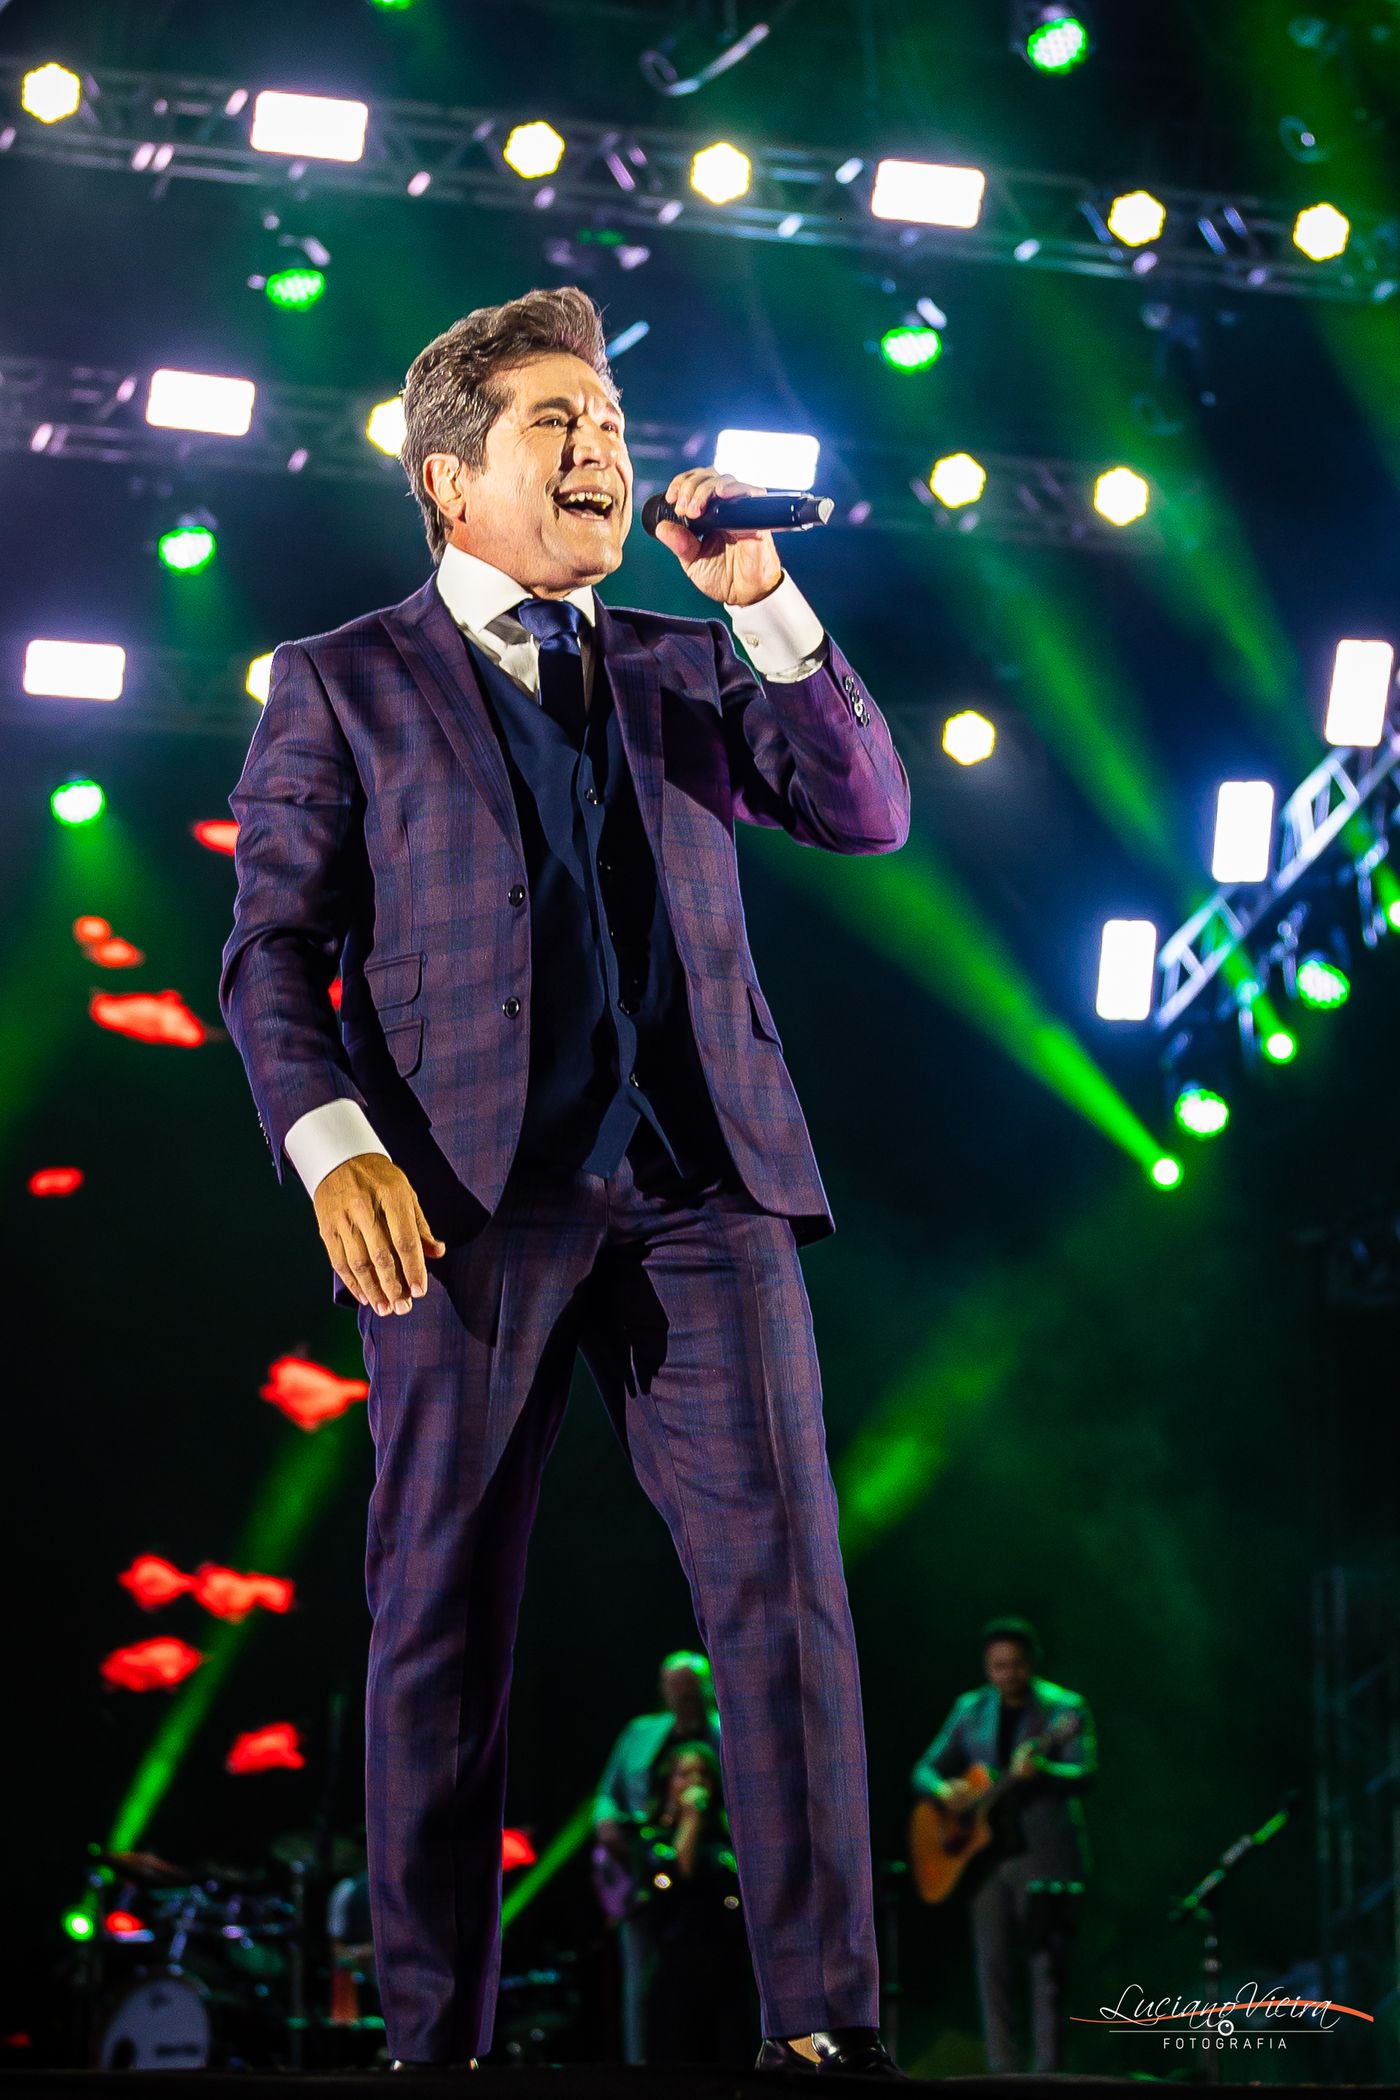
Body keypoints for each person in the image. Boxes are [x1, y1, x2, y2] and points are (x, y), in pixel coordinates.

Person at [220, 284, 909, 2077]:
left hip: (705, 1193)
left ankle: (824, 2027)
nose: (603, 445)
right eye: (559, 423)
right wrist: (334, 1145)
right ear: (450, 481)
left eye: (609, 421)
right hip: (463, 1203)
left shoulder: (686, 659)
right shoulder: (342, 682)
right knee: (440, 1619)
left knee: (788, 1598)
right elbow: (271, 953)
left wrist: (761, 600)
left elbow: (864, 810)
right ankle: (431, 2041)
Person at [911, 1618, 1096, 2074]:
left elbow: (1085, 1772)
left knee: (1046, 1969)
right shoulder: (971, 1708)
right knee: (991, 1967)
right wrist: (945, 1791)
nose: (1007, 1675)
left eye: (1016, 1665)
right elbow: (924, 1769)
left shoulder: (1064, 1709)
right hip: (985, 1860)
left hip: (1043, 1855)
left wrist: (1045, 1772)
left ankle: (1049, 2076)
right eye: (998, 1666)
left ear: (1032, 1662)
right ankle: (1003, 2075)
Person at [592, 1651, 725, 2061]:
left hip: (706, 1878)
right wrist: (607, 1823)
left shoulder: (728, 1736)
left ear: (708, 1689)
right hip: (645, 1876)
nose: (683, 1699)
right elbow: (606, 1794)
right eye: (675, 1689)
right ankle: (641, 2072)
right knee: (641, 1984)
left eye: (691, 1690)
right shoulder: (640, 1733)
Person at [630, 1738, 756, 2067]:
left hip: (728, 1977)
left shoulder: (727, 1844)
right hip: (676, 1977)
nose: (695, 1783)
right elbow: (675, 1877)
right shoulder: (652, 1840)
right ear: (668, 1782)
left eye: (703, 1775)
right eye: (685, 1775)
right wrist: (690, 1818)